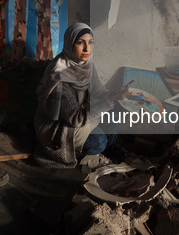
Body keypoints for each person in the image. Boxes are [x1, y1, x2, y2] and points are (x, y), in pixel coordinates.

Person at [33, 23, 129, 169]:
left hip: (81, 113)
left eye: (90, 42)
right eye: (80, 43)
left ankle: (110, 145)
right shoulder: (60, 76)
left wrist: (115, 94)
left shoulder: (86, 65)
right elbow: (76, 119)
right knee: (98, 142)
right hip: (62, 126)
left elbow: (100, 93)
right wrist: (109, 100)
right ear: (69, 43)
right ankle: (89, 148)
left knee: (115, 111)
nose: (87, 48)